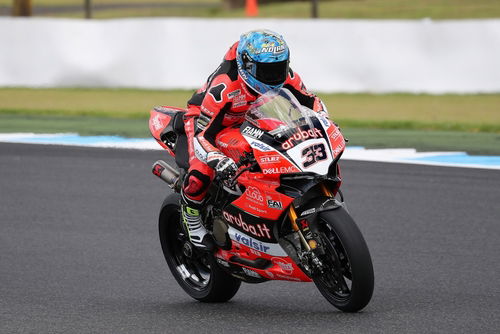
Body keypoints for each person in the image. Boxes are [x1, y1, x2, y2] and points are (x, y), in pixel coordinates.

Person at [180, 29, 329, 250]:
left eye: (279, 68)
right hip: (206, 122)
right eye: (267, 71)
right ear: (247, 66)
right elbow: (203, 135)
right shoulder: (225, 86)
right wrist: (217, 159)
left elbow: (311, 101)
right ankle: (190, 218)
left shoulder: (285, 74)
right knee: (200, 173)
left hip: (246, 118)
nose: (275, 76)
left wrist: (324, 122)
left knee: (282, 142)